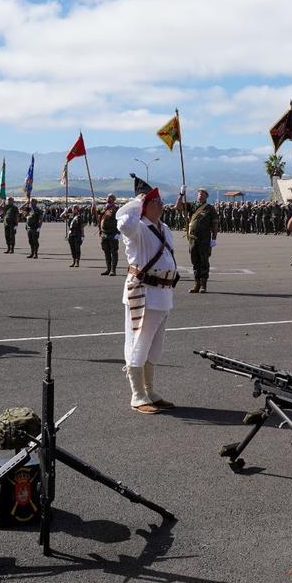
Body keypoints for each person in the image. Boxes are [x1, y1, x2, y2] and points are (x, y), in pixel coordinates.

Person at [117, 176, 179, 414]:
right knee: (138, 343)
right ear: (145, 205)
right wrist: (137, 201)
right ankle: (137, 394)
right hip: (143, 292)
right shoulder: (137, 229)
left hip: (163, 293)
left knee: (155, 346)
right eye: (156, 201)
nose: (162, 204)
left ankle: (149, 390)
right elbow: (122, 222)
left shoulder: (163, 228)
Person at [180, 187, 218, 293]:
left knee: (204, 261)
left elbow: (215, 224)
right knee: (195, 262)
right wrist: (181, 194)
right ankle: (197, 284)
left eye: (203, 193)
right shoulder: (192, 206)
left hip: (204, 239)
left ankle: (203, 285)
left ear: (206, 196)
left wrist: (214, 238)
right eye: (199, 193)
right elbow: (177, 206)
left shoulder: (210, 208)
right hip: (193, 239)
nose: (200, 195)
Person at [99, 194, 120, 276]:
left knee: (114, 252)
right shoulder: (104, 208)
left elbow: (120, 221)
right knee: (106, 252)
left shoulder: (116, 209)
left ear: (113, 199)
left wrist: (118, 233)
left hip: (113, 233)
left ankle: (113, 270)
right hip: (104, 233)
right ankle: (108, 269)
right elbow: (97, 215)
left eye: (109, 198)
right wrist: (93, 206)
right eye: (107, 197)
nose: (107, 199)